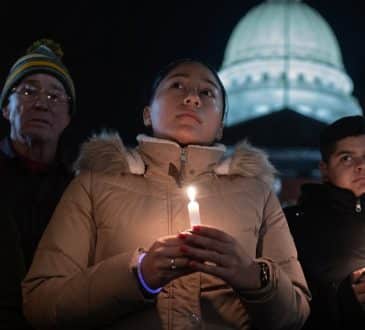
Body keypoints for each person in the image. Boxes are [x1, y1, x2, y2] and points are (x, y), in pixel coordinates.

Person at [23, 58, 310, 329]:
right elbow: (41, 303)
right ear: (147, 113)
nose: (192, 98)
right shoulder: (93, 185)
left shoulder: (257, 194)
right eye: (177, 85)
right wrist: (138, 276)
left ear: (222, 124)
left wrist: (253, 277)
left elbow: (296, 312)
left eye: (207, 92)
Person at [0, 39, 76, 329]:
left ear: (68, 118)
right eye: (29, 91)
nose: (43, 103)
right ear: (7, 108)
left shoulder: (81, 183)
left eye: (56, 96)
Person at [284, 115, 365, 330]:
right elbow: (284, 310)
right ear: (325, 169)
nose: (361, 166)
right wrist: (347, 300)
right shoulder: (293, 226)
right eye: (347, 158)